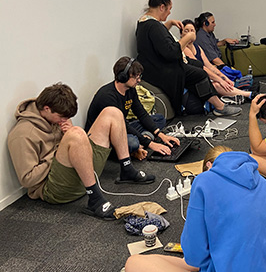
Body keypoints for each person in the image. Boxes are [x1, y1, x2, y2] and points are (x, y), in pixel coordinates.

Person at [120, 146, 266, 272]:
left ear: (209, 166)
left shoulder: (205, 182)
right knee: (168, 261)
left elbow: (195, 258)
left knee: (132, 266)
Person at [7, 83, 155, 220]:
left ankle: (126, 169)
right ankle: (95, 199)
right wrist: (58, 151)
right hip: (53, 189)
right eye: (61, 117)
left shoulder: (54, 117)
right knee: (76, 134)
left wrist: (67, 132)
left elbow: (71, 143)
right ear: (46, 109)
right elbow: (27, 179)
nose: (63, 120)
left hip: (80, 173)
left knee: (112, 112)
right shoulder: (22, 134)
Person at [136, 0, 241, 117]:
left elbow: (159, 39)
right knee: (200, 73)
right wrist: (187, 38)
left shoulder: (144, 22)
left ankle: (219, 97)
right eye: (169, 9)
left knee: (197, 65)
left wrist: (169, 24)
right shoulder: (153, 26)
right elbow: (171, 52)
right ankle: (219, 106)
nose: (169, 13)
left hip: (154, 65)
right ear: (162, 7)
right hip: (161, 70)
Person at [85, 57, 179, 160]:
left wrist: (161, 135)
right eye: (136, 77)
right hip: (106, 138)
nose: (139, 80)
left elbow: (142, 114)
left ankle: (140, 145)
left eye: (139, 76)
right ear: (123, 77)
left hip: (123, 128)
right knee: (132, 142)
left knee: (159, 119)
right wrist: (151, 144)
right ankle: (137, 146)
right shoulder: (107, 97)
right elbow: (123, 127)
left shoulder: (130, 90)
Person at [180, 19, 257, 105]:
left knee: (226, 78)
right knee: (217, 85)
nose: (190, 34)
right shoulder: (184, 49)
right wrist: (220, 80)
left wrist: (224, 78)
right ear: (181, 34)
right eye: (186, 31)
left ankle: (239, 93)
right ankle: (248, 94)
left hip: (207, 75)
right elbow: (202, 68)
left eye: (192, 31)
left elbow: (209, 65)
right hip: (198, 79)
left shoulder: (197, 47)